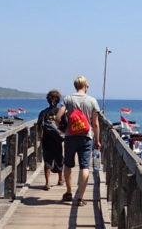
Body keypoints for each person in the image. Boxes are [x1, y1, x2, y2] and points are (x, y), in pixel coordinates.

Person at [55, 75, 101, 205]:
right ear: (85, 86)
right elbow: (96, 124)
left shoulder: (68, 99)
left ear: (75, 86)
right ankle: (80, 197)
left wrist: (62, 130)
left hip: (70, 137)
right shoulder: (92, 101)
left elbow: (57, 118)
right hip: (86, 137)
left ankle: (69, 192)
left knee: (68, 164)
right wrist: (97, 140)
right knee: (84, 166)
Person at [37, 90, 65, 190]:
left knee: (47, 160)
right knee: (59, 158)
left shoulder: (43, 113)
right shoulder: (60, 112)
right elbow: (65, 125)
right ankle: (60, 179)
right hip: (58, 139)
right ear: (58, 100)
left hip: (47, 140)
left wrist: (40, 137)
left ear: (48, 100)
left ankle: (47, 183)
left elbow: (39, 126)